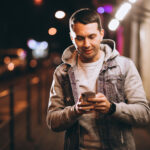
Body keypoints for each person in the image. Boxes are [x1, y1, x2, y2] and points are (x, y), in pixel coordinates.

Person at [46, 8, 150, 150]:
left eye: (91, 36)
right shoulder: (62, 72)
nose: (87, 44)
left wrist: (112, 108)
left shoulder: (124, 66)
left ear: (101, 34)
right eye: (80, 38)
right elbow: (52, 122)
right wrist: (75, 111)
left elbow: (144, 115)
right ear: (72, 38)